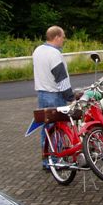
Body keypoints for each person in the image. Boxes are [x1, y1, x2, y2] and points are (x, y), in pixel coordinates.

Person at [33, 26, 74, 168]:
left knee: (46, 129)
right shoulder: (55, 54)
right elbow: (61, 79)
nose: (63, 40)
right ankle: (56, 161)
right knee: (58, 129)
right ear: (56, 37)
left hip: (42, 94)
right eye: (63, 37)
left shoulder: (38, 50)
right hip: (55, 96)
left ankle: (47, 161)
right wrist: (70, 97)